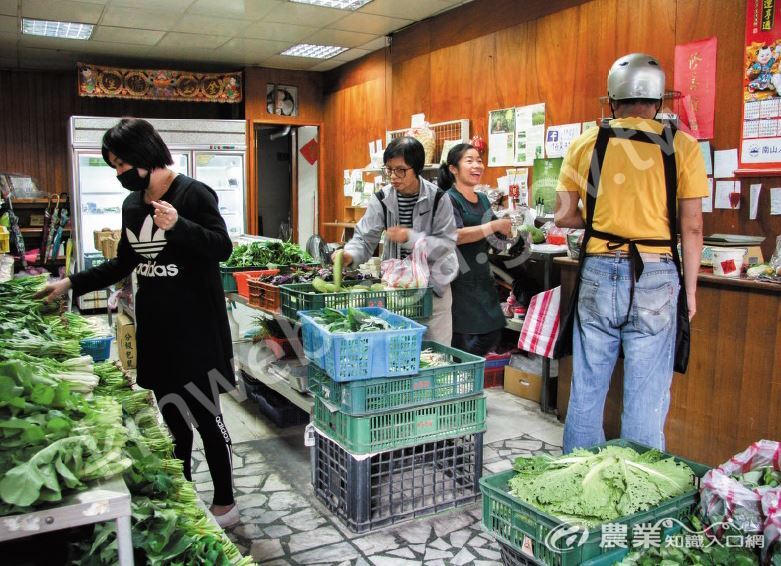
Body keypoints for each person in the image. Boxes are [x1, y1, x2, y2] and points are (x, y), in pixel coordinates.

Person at [35, 118, 239, 527]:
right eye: (113, 165)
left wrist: (178, 226)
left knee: (207, 417)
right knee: (173, 422)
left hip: (197, 331)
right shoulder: (132, 205)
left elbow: (223, 249)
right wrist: (70, 283)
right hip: (157, 331)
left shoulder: (193, 193)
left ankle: (225, 501)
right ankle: (183, 493)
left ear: (144, 156)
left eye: (120, 163)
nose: (118, 173)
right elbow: (123, 263)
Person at [554, 53, 707, 453]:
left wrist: (601, 217)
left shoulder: (586, 143)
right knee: (646, 392)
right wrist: (689, 293)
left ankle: (576, 482)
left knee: (587, 385)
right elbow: (691, 227)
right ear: (658, 100)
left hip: (599, 271)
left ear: (612, 99)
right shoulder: (684, 146)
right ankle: (638, 489)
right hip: (657, 274)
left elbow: (564, 216)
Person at [337, 136, 458, 344]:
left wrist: (410, 238)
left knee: (434, 354)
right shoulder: (382, 199)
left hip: (433, 291)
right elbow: (364, 238)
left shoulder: (439, 198)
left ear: (417, 168)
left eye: (401, 170)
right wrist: (349, 254)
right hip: (396, 290)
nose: (393, 176)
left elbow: (446, 245)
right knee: (398, 349)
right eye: (389, 169)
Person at [438, 143, 512, 355]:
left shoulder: (483, 199)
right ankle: (460, 377)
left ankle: (466, 373)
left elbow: (494, 234)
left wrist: (508, 234)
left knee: (493, 331)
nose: (476, 165)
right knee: (464, 338)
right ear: (453, 168)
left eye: (479, 160)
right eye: (469, 160)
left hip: (481, 276)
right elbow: (454, 236)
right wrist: (492, 226)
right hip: (458, 277)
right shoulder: (448, 199)